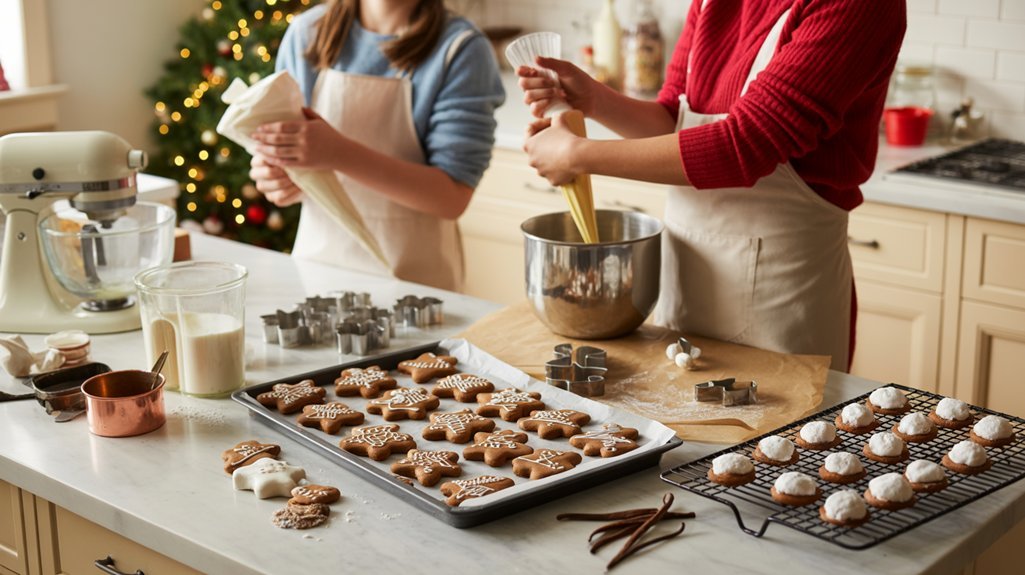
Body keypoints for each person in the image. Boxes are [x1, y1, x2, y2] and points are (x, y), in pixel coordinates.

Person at [515, 0, 906, 371]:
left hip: (783, 299)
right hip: (687, 287)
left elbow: (745, 144)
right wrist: (595, 99)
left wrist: (577, 155)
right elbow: (675, 118)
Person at [249, 0, 504, 291]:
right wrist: (277, 177)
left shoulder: (461, 49)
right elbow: (290, 168)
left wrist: (337, 153)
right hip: (318, 278)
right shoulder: (306, 33)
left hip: (417, 291)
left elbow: (452, 197)